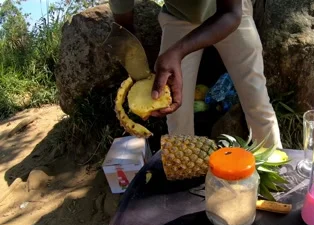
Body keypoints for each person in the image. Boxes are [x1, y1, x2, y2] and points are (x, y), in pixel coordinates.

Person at [109, 0, 282, 148]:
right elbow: (124, 24)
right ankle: (183, 175)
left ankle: (275, 165)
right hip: (179, 17)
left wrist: (177, 52)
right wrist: (131, 55)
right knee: (175, 113)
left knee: (255, 97)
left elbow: (231, 14)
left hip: (228, 13)